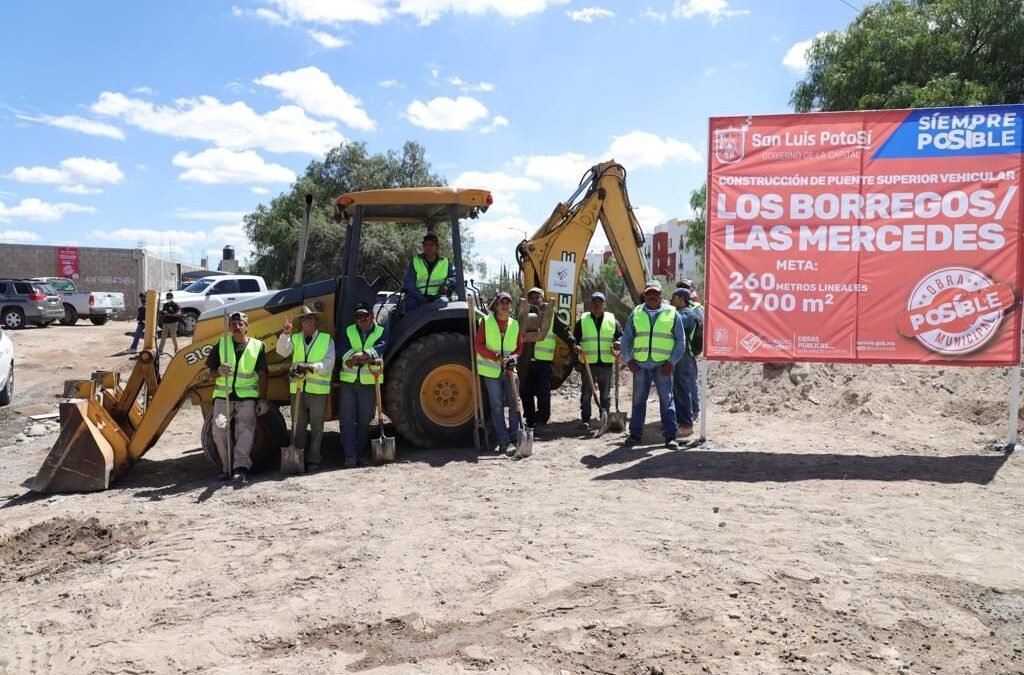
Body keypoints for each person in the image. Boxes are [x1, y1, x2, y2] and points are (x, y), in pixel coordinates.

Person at [620, 280, 687, 450]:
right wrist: (628, 360)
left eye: (655, 293)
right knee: (638, 401)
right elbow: (626, 339)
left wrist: (672, 362)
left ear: (661, 295)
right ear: (645, 295)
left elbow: (681, 341)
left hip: (662, 366)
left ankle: (670, 436)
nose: (652, 296)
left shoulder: (672, 313)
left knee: (666, 401)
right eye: (649, 293)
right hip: (640, 365)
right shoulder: (636, 313)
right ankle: (635, 435)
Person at [205, 311, 270, 484]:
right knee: (219, 430)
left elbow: (263, 375)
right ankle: (226, 467)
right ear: (229, 327)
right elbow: (210, 372)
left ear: (247, 327)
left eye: (240, 324)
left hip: (247, 397)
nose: (237, 327)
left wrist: (263, 399)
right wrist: (218, 371)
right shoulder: (222, 344)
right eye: (233, 324)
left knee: (245, 431)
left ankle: (240, 468)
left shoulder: (257, 346)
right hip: (223, 396)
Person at [276, 306, 335, 473]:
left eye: (310, 318)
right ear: (300, 323)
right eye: (304, 319)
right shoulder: (294, 338)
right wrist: (286, 334)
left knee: (317, 427)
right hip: (298, 390)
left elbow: (328, 365)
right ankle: (298, 458)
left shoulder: (326, 339)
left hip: (318, 391)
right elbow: (282, 351)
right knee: (298, 426)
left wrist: (311, 367)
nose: (307, 321)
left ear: (316, 321)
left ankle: (314, 460)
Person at [339, 301, 387, 468]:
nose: (362, 320)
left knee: (364, 420)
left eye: (365, 316)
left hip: (368, 382)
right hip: (349, 382)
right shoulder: (348, 330)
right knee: (347, 419)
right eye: (358, 317)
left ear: (371, 316)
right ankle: (349, 455)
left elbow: (380, 347)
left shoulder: (381, 331)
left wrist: (361, 355)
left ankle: (360, 454)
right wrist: (360, 357)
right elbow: (343, 349)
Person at [474, 291, 523, 456]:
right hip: (492, 372)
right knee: (496, 407)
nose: (505, 305)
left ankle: (515, 437)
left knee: (515, 404)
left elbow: (519, 347)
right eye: (502, 302)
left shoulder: (514, 324)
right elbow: (478, 345)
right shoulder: (486, 322)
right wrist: (496, 357)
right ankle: (504, 441)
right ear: (496, 305)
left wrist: (513, 357)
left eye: (508, 302)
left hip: (510, 371)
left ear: (511, 306)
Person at [520, 286, 575, 432]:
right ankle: (530, 420)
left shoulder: (551, 315)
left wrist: (573, 344)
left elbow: (564, 330)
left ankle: (542, 420)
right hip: (525, 362)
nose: (535, 300)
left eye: (537, 297)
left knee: (543, 393)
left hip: (543, 363)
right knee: (525, 391)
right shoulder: (523, 314)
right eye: (531, 297)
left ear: (543, 299)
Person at [572, 291, 622, 430]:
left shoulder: (612, 320)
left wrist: (619, 343)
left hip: (606, 363)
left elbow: (621, 337)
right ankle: (586, 420)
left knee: (605, 394)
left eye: (600, 302)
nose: (597, 304)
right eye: (594, 302)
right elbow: (575, 341)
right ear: (590, 304)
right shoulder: (582, 321)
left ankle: (604, 418)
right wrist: (576, 361)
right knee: (586, 393)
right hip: (588, 363)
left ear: (604, 304)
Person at [670, 288, 699, 437]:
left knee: (682, 389)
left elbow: (676, 325)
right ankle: (679, 422)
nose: (671, 299)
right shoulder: (683, 312)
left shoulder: (686, 314)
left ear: (681, 299)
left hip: (684, 356)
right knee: (677, 389)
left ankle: (686, 425)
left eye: (674, 297)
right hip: (680, 355)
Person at [403, 233, 456, 311]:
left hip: (438, 296)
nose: (428, 247)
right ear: (423, 247)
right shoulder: (416, 261)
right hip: (417, 296)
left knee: (444, 304)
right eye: (425, 245)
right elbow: (409, 283)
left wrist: (446, 285)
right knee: (410, 304)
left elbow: (455, 278)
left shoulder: (445, 262)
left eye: (431, 245)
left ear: (437, 247)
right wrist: (420, 298)